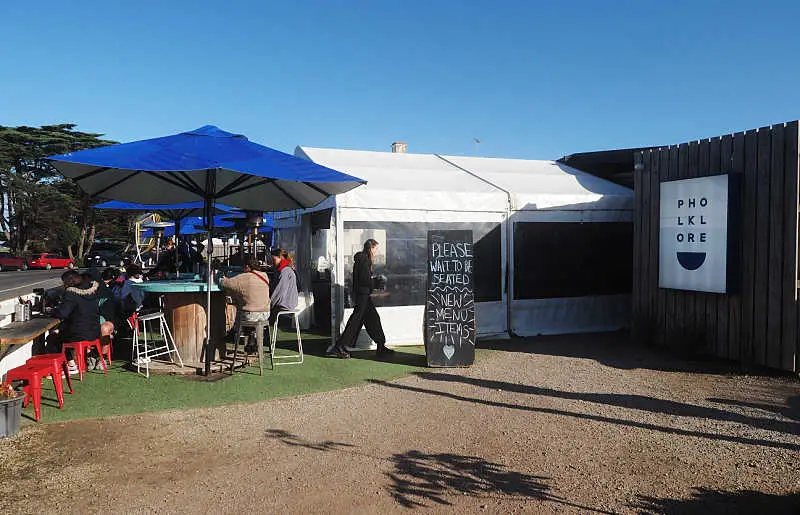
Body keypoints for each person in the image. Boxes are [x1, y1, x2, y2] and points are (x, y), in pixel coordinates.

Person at [329, 239, 392, 359]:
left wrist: (373, 282)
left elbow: (363, 279)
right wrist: (376, 283)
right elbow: (364, 280)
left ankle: (380, 345)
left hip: (363, 295)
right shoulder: (364, 260)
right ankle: (339, 347)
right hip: (363, 295)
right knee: (356, 321)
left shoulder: (362, 259)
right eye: (375, 248)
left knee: (371, 319)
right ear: (371, 247)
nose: (376, 251)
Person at [52, 270, 102, 375]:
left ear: (68, 282)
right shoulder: (92, 289)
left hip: (80, 333)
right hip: (95, 331)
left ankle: (71, 365)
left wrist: (51, 310)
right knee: (63, 332)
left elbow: (63, 313)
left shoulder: (71, 293)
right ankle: (72, 363)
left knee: (55, 337)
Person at [219, 258, 270, 353]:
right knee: (246, 308)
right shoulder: (265, 276)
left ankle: (234, 332)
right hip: (265, 314)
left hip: (250, 315)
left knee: (242, 310)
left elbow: (225, 283)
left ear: (247, 266)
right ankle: (251, 336)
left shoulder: (244, 277)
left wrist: (221, 278)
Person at [269, 248, 298, 326]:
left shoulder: (285, 271)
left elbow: (280, 291)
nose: (272, 262)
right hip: (289, 301)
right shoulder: (286, 268)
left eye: (274, 259)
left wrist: (269, 304)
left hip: (287, 303)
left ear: (280, 258)